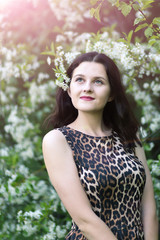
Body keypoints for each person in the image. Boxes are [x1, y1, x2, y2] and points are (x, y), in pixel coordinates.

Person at [42, 52, 158, 240]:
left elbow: (149, 207)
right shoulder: (57, 140)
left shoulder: (129, 134)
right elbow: (85, 220)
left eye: (98, 82)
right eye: (79, 80)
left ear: (111, 93)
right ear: (69, 89)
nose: (87, 88)